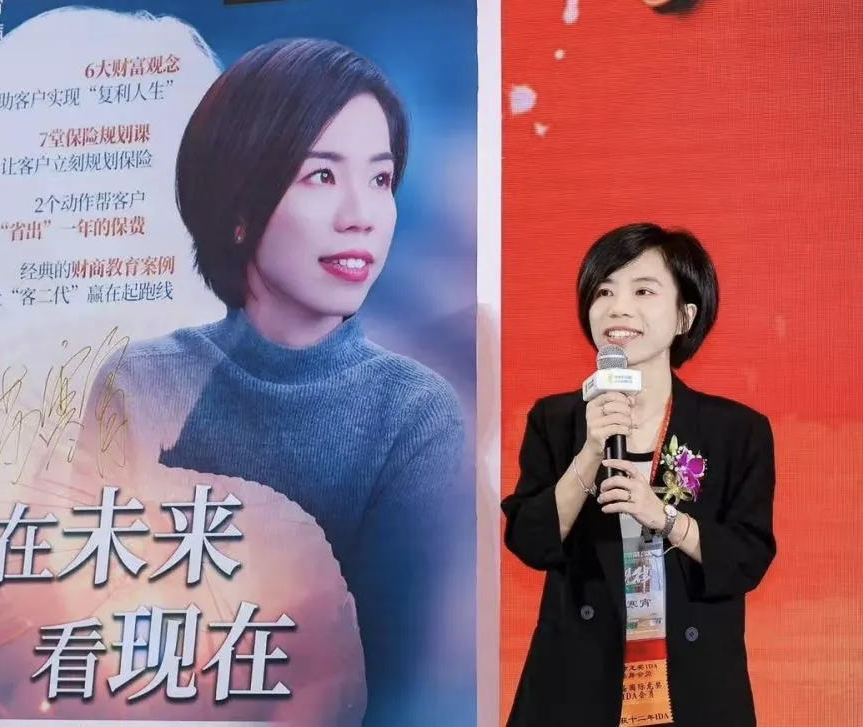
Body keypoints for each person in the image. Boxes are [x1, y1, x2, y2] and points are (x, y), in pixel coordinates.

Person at [75, 38, 469, 727]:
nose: (362, 214)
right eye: (321, 175)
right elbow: (89, 631)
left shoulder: (414, 413)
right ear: (239, 204)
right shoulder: (139, 383)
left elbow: (402, 682)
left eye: (380, 179)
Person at [501, 223, 776, 727]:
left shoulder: (736, 431)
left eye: (643, 291)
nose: (618, 308)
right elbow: (529, 541)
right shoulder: (556, 420)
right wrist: (590, 452)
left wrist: (664, 517)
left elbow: (747, 558)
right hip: (576, 686)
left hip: (693, 687)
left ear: (685, 316)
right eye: (604, 292)